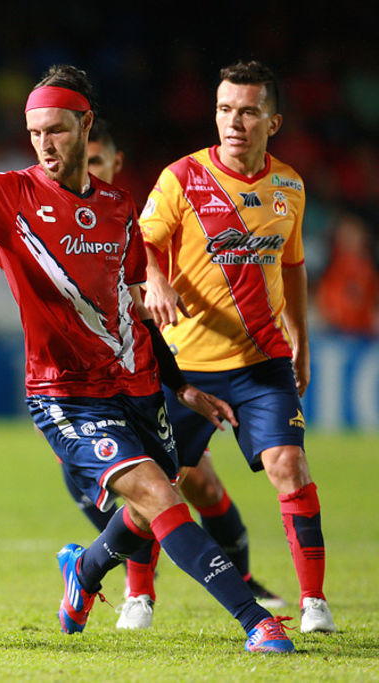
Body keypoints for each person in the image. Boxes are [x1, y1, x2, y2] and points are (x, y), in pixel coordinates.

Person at [0, 65, 294, 653]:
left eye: (57, 130)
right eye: (34, 133)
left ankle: (85, 570)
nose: (44, 144)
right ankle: (257, 623)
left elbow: (132, 308)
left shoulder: (120, 206)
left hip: (139, 385)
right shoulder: (11, 195)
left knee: (147, 508)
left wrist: (181, 386)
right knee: (160, 495)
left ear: (85, 123)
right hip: (66, 395)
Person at [139, 60, 336, 634]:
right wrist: (154, 279)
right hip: (186, 368)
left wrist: (301, 343)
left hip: (262, 363)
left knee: (289, 465)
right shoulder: (182, 178)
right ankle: (129, 589)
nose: (234, 122)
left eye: (249, 111)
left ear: (273, 122)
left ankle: (314, 602)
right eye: (225, 109)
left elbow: (293, 267)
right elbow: (140, 243)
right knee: (157, 488)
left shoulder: (290, 186)